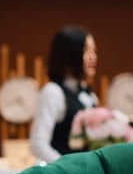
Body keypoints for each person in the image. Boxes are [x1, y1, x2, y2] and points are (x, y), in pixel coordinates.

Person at [30, 25, 99, 164]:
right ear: (69, 54)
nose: (93, 57)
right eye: (86, 50)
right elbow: (38, 144)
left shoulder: (89, 95)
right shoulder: (53, 92)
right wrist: (67, 168)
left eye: (94, 50)